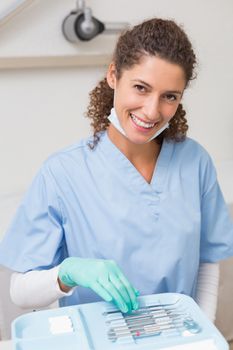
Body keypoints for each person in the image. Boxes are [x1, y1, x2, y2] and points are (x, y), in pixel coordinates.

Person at [0, 18, 232, 321]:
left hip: (176, 339)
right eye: (140, 88)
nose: (151, 111)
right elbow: (19, 292)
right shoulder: (63, 173)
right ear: (113, 75)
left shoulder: (195, 163)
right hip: (97, 339)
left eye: (169, 96)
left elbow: (207, 263)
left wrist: (202, 332)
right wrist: (67, 274)